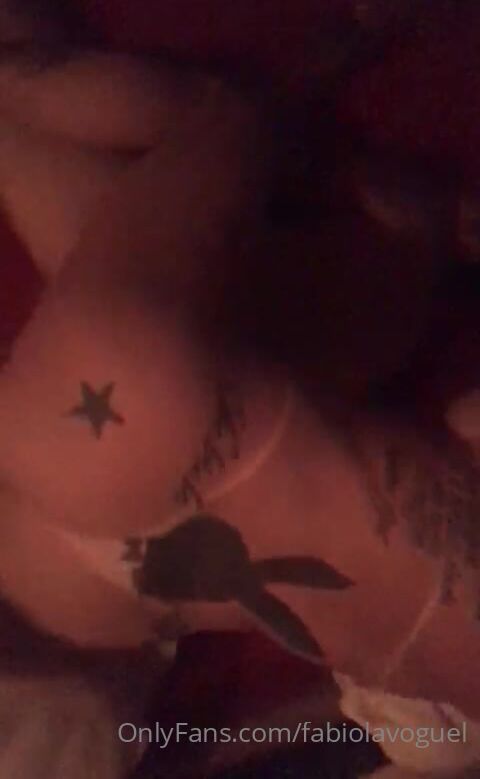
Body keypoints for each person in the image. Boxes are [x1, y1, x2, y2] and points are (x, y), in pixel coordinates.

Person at [0, 25, 479, 779]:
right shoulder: (440, 723)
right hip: (92, 575)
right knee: (136, 272)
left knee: (221, 121)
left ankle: (21, 63)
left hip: (170, 430)